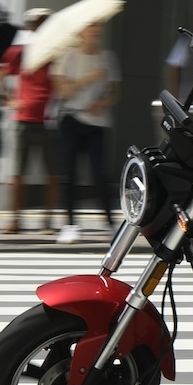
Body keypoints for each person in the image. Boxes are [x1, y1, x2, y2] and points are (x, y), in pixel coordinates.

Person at [51, 21, 119, 244]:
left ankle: (110, 223)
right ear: (80, 31)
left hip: (97, 121)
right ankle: (70, 224)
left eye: (98, 27)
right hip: (71, 118)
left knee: (99, 173)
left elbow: (114, 91)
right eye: (90, 27)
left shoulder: (107, 57)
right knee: (69, 174)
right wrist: (89, 77)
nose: (95, 31)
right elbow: (63, 91)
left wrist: (103, 101)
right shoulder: (68, 57)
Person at [0, 8, 60, 234]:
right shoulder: (20, 51)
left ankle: (47, 221)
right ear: (31, 26)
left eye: (45, 21)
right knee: (16, 172)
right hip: (22, 118)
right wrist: (8, 101)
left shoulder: (58, 51)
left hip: (48, 118)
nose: (41, 25)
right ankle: (14, 220)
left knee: (52, 172)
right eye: (37, 22)